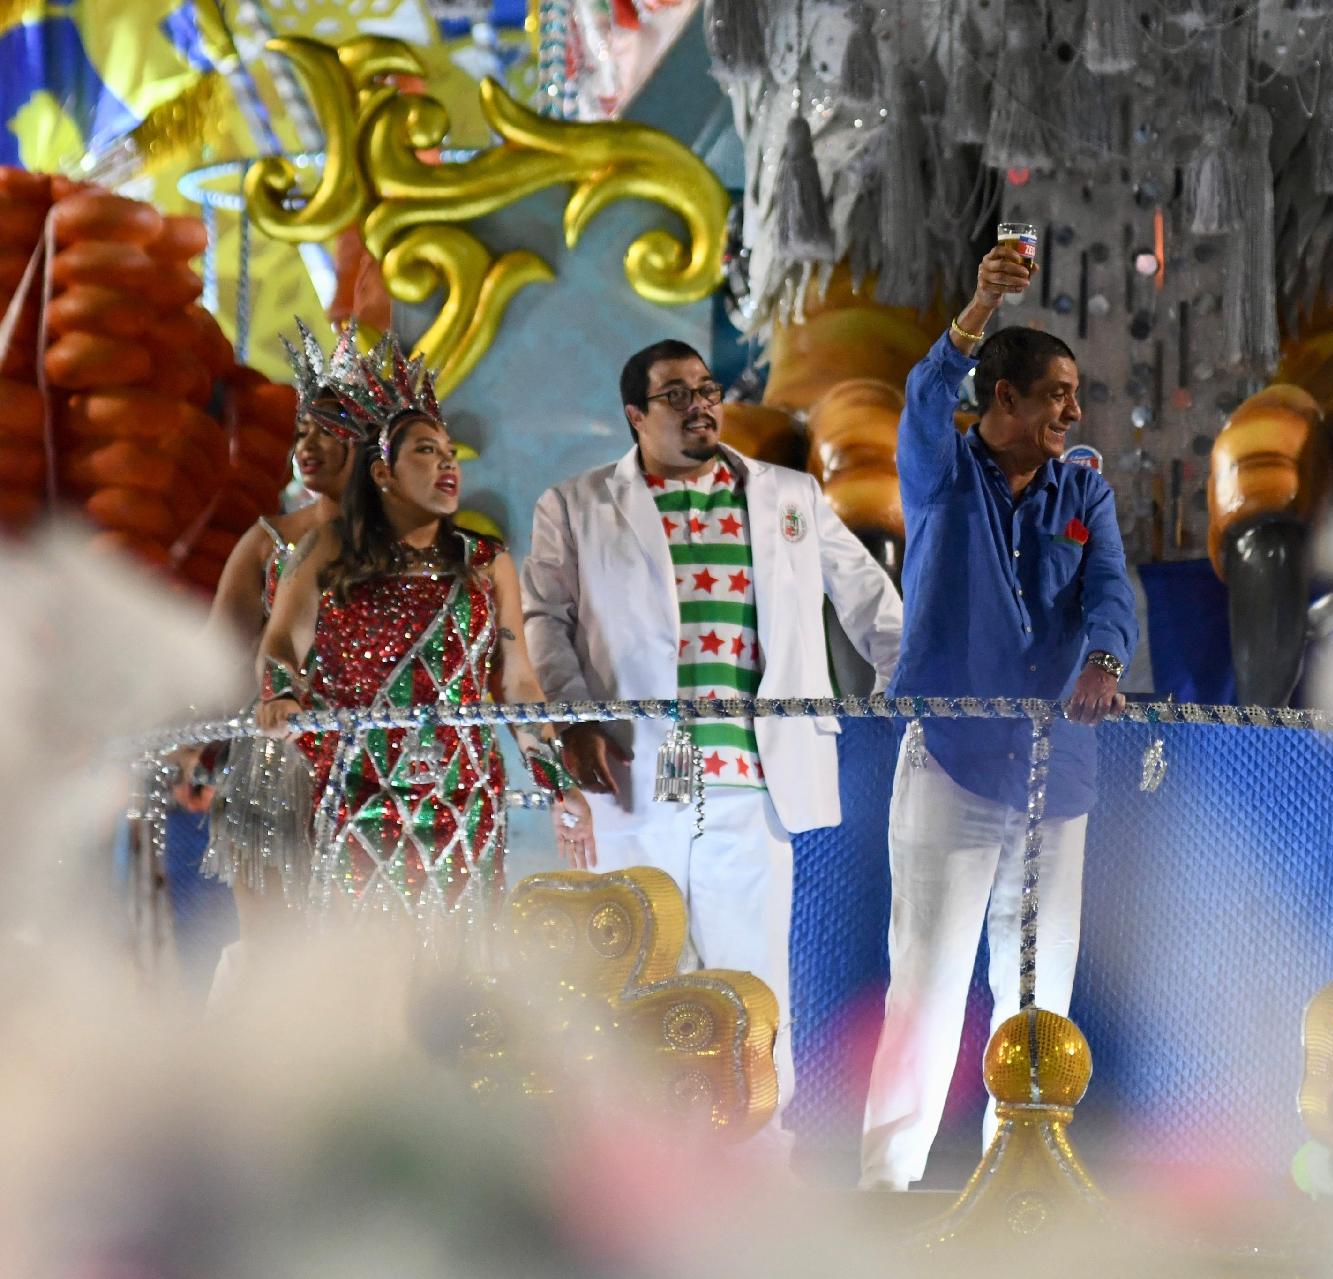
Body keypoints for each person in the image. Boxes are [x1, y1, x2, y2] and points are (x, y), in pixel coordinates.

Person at [519, 338, 901, 1126]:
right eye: (675, 394)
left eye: (706, 387)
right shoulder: (576, 503)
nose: (699, 403)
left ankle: (760, 1157)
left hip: (753, 776)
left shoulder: (788, 494)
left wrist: (899, 686)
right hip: (636, 771)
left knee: (751, 973)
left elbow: (868, 599)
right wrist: (575, 715)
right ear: (635, 415)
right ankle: (630, 1156)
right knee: (635, 963)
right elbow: (544, 622)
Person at [858, 245, 1138, 1191]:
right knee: (928, 989)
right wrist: (978, 301)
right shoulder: (941, 473)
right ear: (1002, 402)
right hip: (954, 763)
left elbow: (1111, 592)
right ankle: (883, 1191)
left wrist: (1104, 658)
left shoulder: (1083, 489)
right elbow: (928, 387)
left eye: (1074, 394)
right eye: (1055, 393)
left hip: (1058, 780)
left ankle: (1016, 1189)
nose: (1072, 411)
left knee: (1040, 1000)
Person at [258, 337, 593, 950]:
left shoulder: (487, 564)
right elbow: (282, 643)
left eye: (451, 453)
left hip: (462, 798)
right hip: (356, 788)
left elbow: (517, 681)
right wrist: (280, 695)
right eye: (426, 451)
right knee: (362, 968)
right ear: (382, 471)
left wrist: (555, 782)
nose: (448, 466)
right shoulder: (327, 550)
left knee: (457, 970)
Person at [197, 323, 364, 994]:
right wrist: (194, 749)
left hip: (379, 770)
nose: (307, 447)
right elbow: (215, 660)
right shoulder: (269, 541)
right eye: (302, 431)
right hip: (276, 763)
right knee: (271, 951)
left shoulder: (427, 548)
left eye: (329, 430)